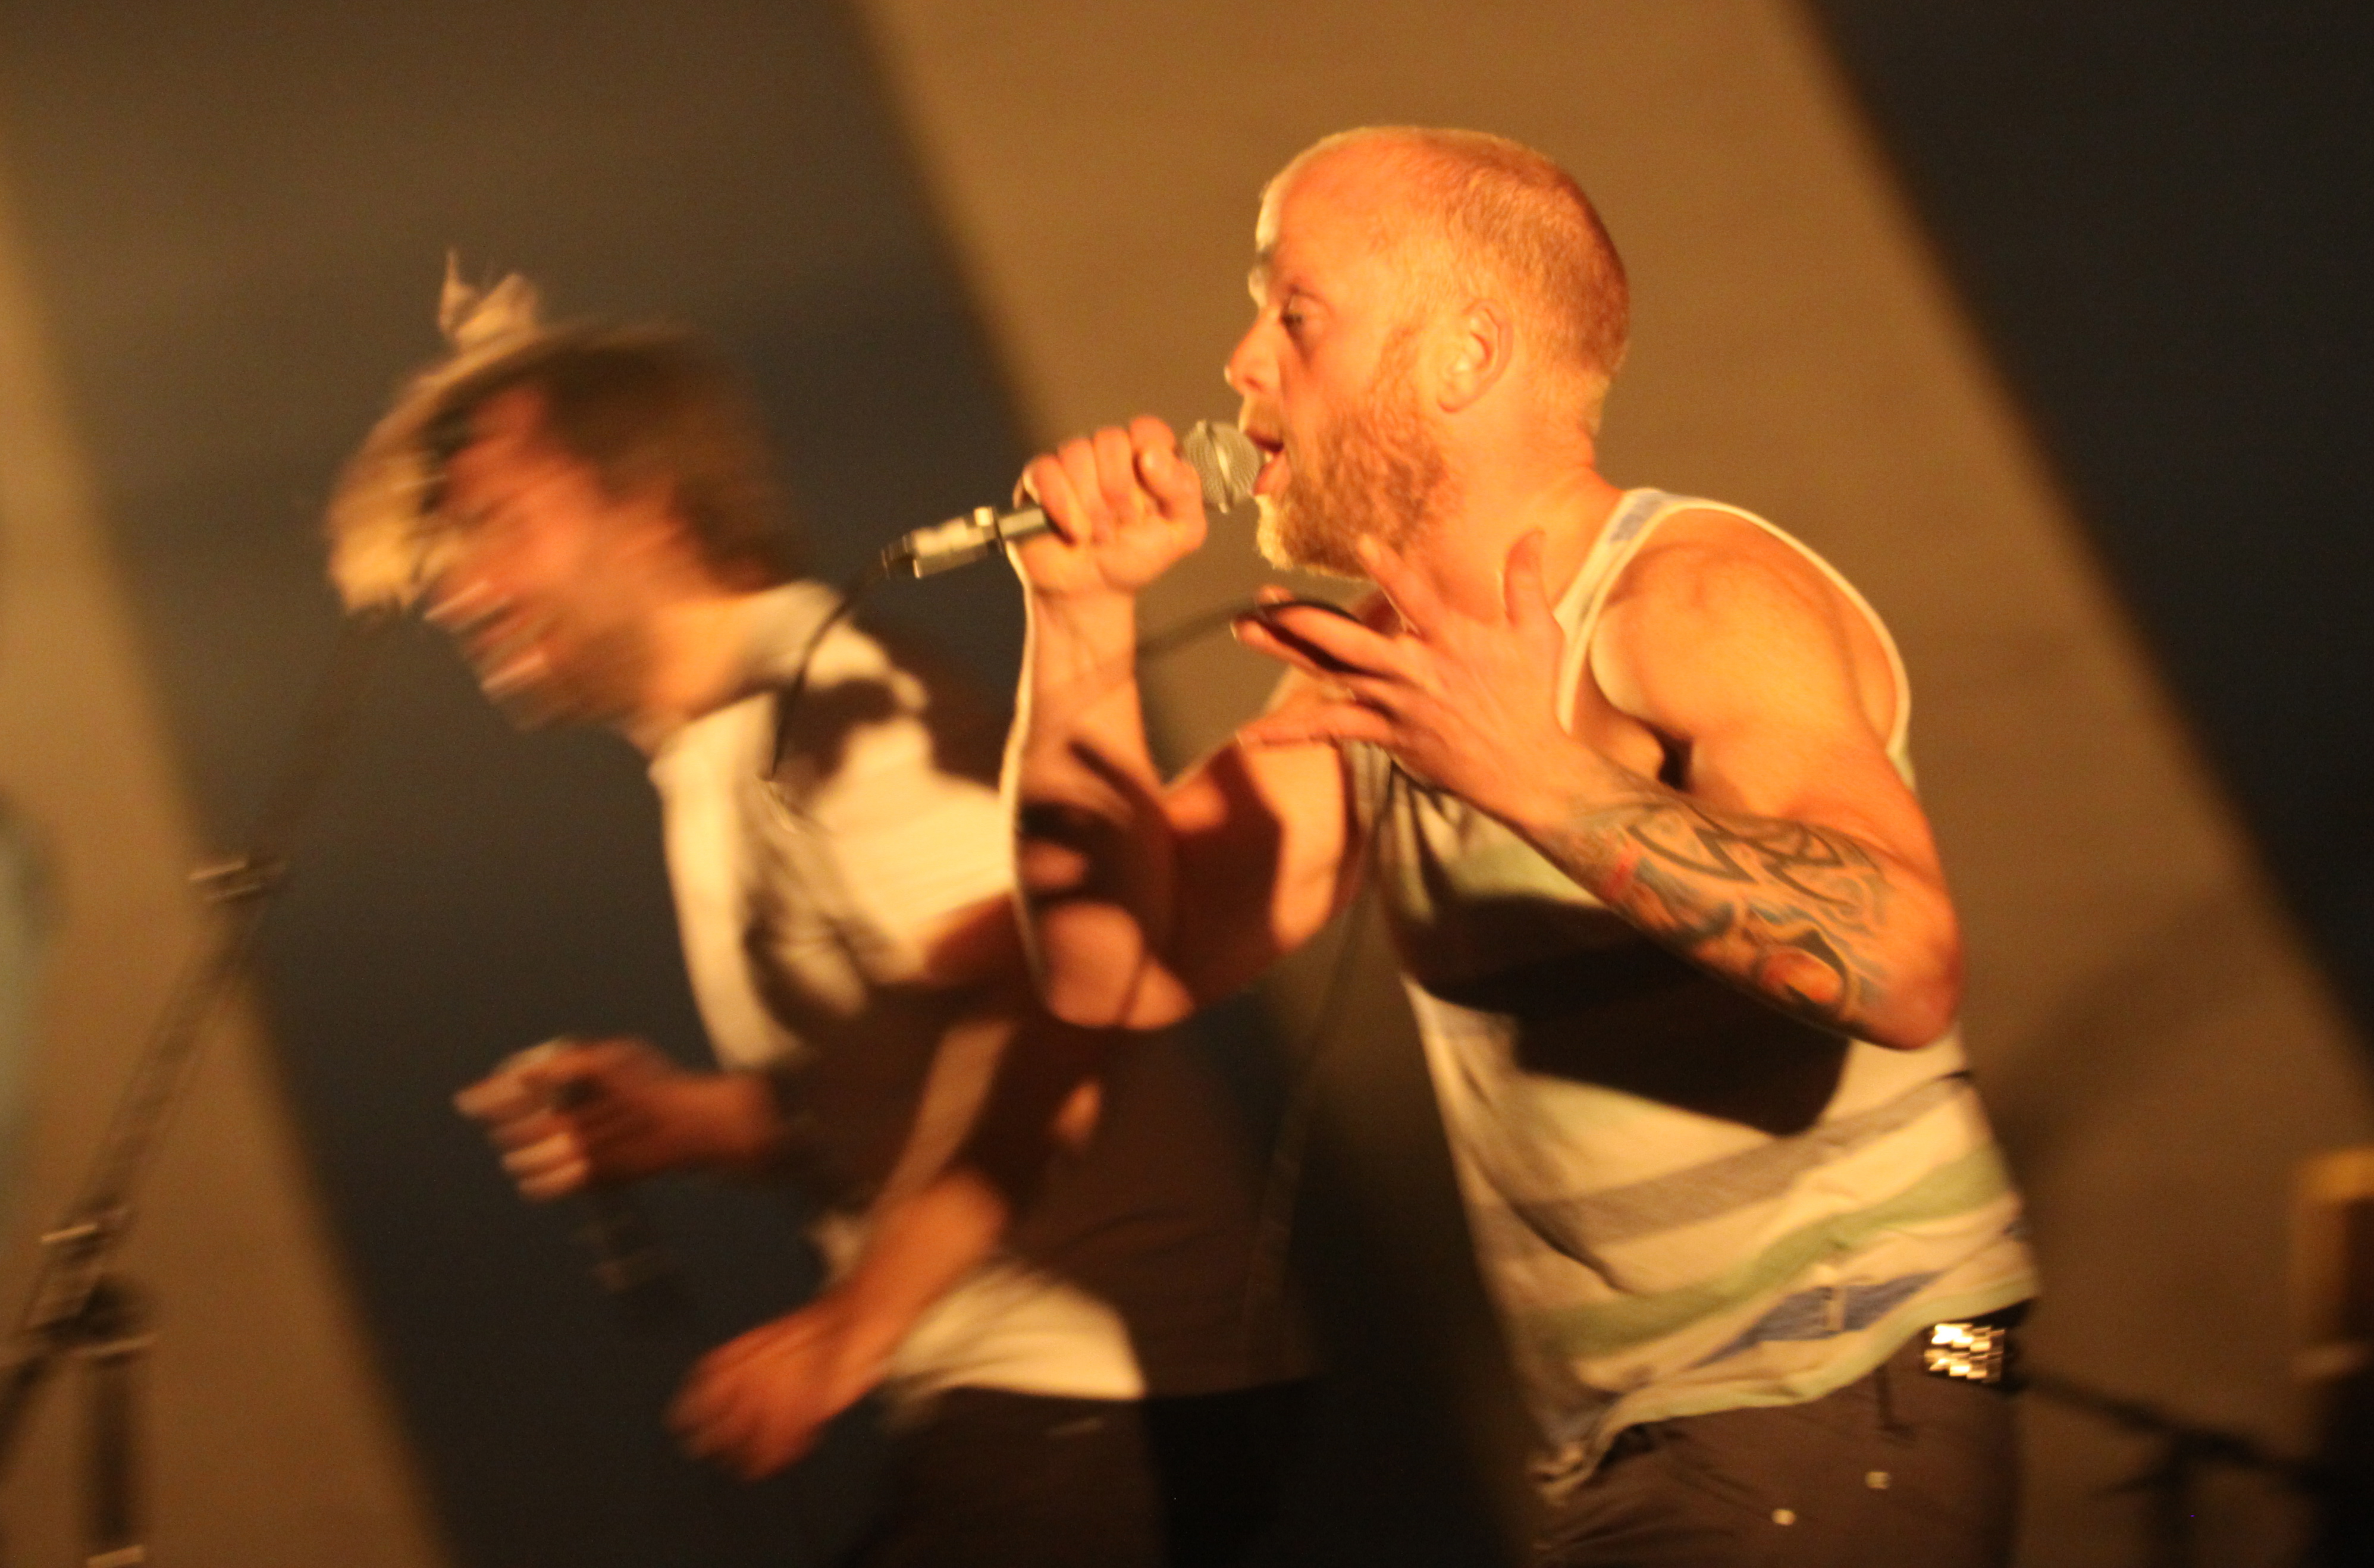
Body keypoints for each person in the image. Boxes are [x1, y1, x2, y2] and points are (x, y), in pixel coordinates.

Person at [1002, 127, 2038, 1567]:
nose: (1240, 366)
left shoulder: (1691, 600)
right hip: (1658, 1442)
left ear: (1463, 355)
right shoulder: (1391, 677)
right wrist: (1076, 618)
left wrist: (1532, 772)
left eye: (1294, 315)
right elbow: (1117, 965)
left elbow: (1904, 960)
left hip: (1841, 1388)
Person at [324, 270, 1302, 1568]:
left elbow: (1055, 1004)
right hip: (1068, 1411)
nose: (462, 587)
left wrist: (852, 1328)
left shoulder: (824, 707)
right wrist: (698, 1121)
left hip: (1089, 1403)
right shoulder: (728, 740)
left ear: (649, 505)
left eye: (496, 523)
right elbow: (920, 1064)